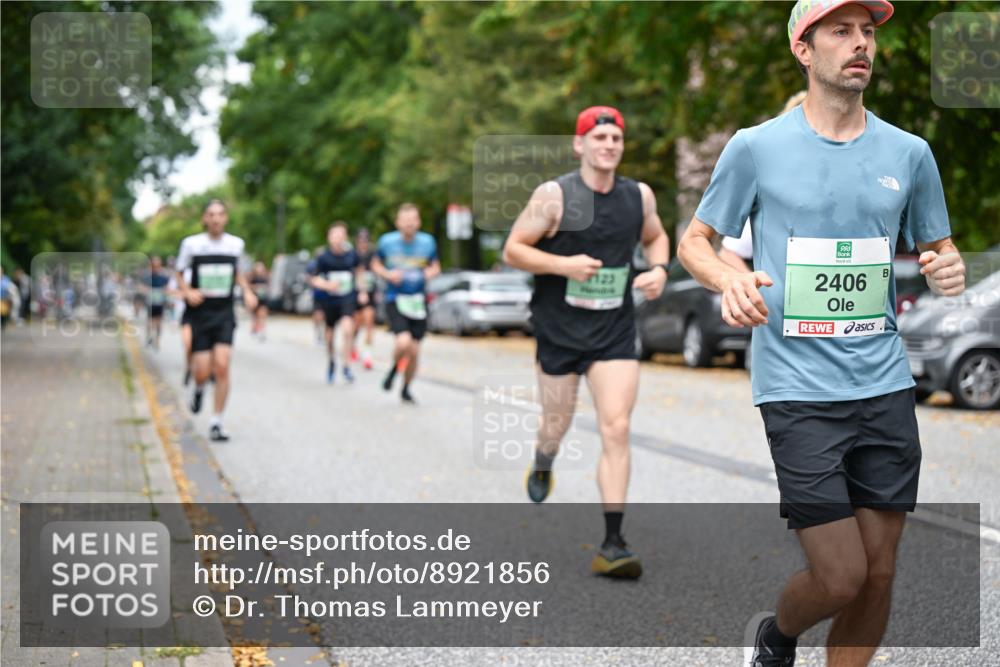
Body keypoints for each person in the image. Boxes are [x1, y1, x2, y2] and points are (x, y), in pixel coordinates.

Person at [675, 2, 966, 664]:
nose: (860, 42)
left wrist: (947, 266)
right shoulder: (756, 146)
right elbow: (697, 242)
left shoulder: (910, 153)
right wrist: (730, 280)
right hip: (797, 388)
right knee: (841, 575)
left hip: (885, 383)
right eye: (841, 30)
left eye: (868, 31)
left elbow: (938, 248)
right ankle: (777, 636)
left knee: (881, 572)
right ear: (804, 50)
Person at [502, 106, 669, 578]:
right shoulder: (554, 196)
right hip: (558, 331)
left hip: (613, 331)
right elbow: (513, 249)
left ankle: (613, 541)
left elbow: (657, 238)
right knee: (557, 422)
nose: (609, 145)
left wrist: (657, 269)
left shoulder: (638, 196)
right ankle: (544, 456)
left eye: (616, 138)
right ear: (580, 145)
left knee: (616, 427)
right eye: (599, 138)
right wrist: (564, 266)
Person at [175, 199, 258, 442]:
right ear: (204, 218)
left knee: (222, 366)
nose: (216, 218)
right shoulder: (192, 245)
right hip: (200, 313)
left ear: (226, 218)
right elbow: (179, 273)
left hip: (224, 312)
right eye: (211, 214)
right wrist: (188, 291)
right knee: (202, 371)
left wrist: (247, 291)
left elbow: (238, 274)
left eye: (220, 214)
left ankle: (217, 422)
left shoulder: (235, 245)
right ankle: (199, 388)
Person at [371, 204, 441, 404]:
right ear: (398, 223)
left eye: (413, 220)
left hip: (418, 301)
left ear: (418, 222)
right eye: (405, 220)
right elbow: (375, 264)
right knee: (403, 342)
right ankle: (394, 368)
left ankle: (406, 388)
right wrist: (388, 274)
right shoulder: (387, 242)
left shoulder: (428, 242)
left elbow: (435, 266)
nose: (409, 224)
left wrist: (428, 273)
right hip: (396, 299)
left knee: (415, 351)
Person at [307, 222, 367, 384]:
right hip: (329, 299)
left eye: (341, 235)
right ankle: (332, 360)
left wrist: (362, 290)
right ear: (329, 238)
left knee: (348, 329)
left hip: (347, 297)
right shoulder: (323, 257)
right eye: (334, 235)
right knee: (330, 334)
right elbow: (312, 278)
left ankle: (346, 365)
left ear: (345, 237)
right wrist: (326, 285)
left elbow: (360, 271)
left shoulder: (352, 255)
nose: (338, 239)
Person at [352, 228, 378, 370]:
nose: (363, 243)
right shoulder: (353, 255)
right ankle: (353, 344)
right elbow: (358, 272)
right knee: (357, 323)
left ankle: (367, 355)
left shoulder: (373, 254)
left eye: (365, 240)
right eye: (361, 240)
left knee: (369, 322)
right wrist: (361, 290)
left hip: (371, 292)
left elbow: (377, 270)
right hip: (357, 292)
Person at [145, 256, 170, 350]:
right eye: (154, 265)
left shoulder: (164, 277)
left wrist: (164, 292)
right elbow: (142, 286)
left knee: (159, 322)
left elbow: (167, 288)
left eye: (157, 265)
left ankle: (157, 340)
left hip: (159, 302)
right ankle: (150, 337)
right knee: (149, 322)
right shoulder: (147, 276)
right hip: (150, 302)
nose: (156, 267)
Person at [247, 261, 271, 341]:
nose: (259, 269)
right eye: (258, 267)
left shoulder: (265, 276)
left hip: (263, 298)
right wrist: (255, 287)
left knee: (262, 315)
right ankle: (254, 328)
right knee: (255, 316)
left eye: (261, 267)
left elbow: (268, 286)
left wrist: (264, 288)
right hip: (255, 298)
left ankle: (262, 331)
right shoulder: (252, 277)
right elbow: (248, 286)